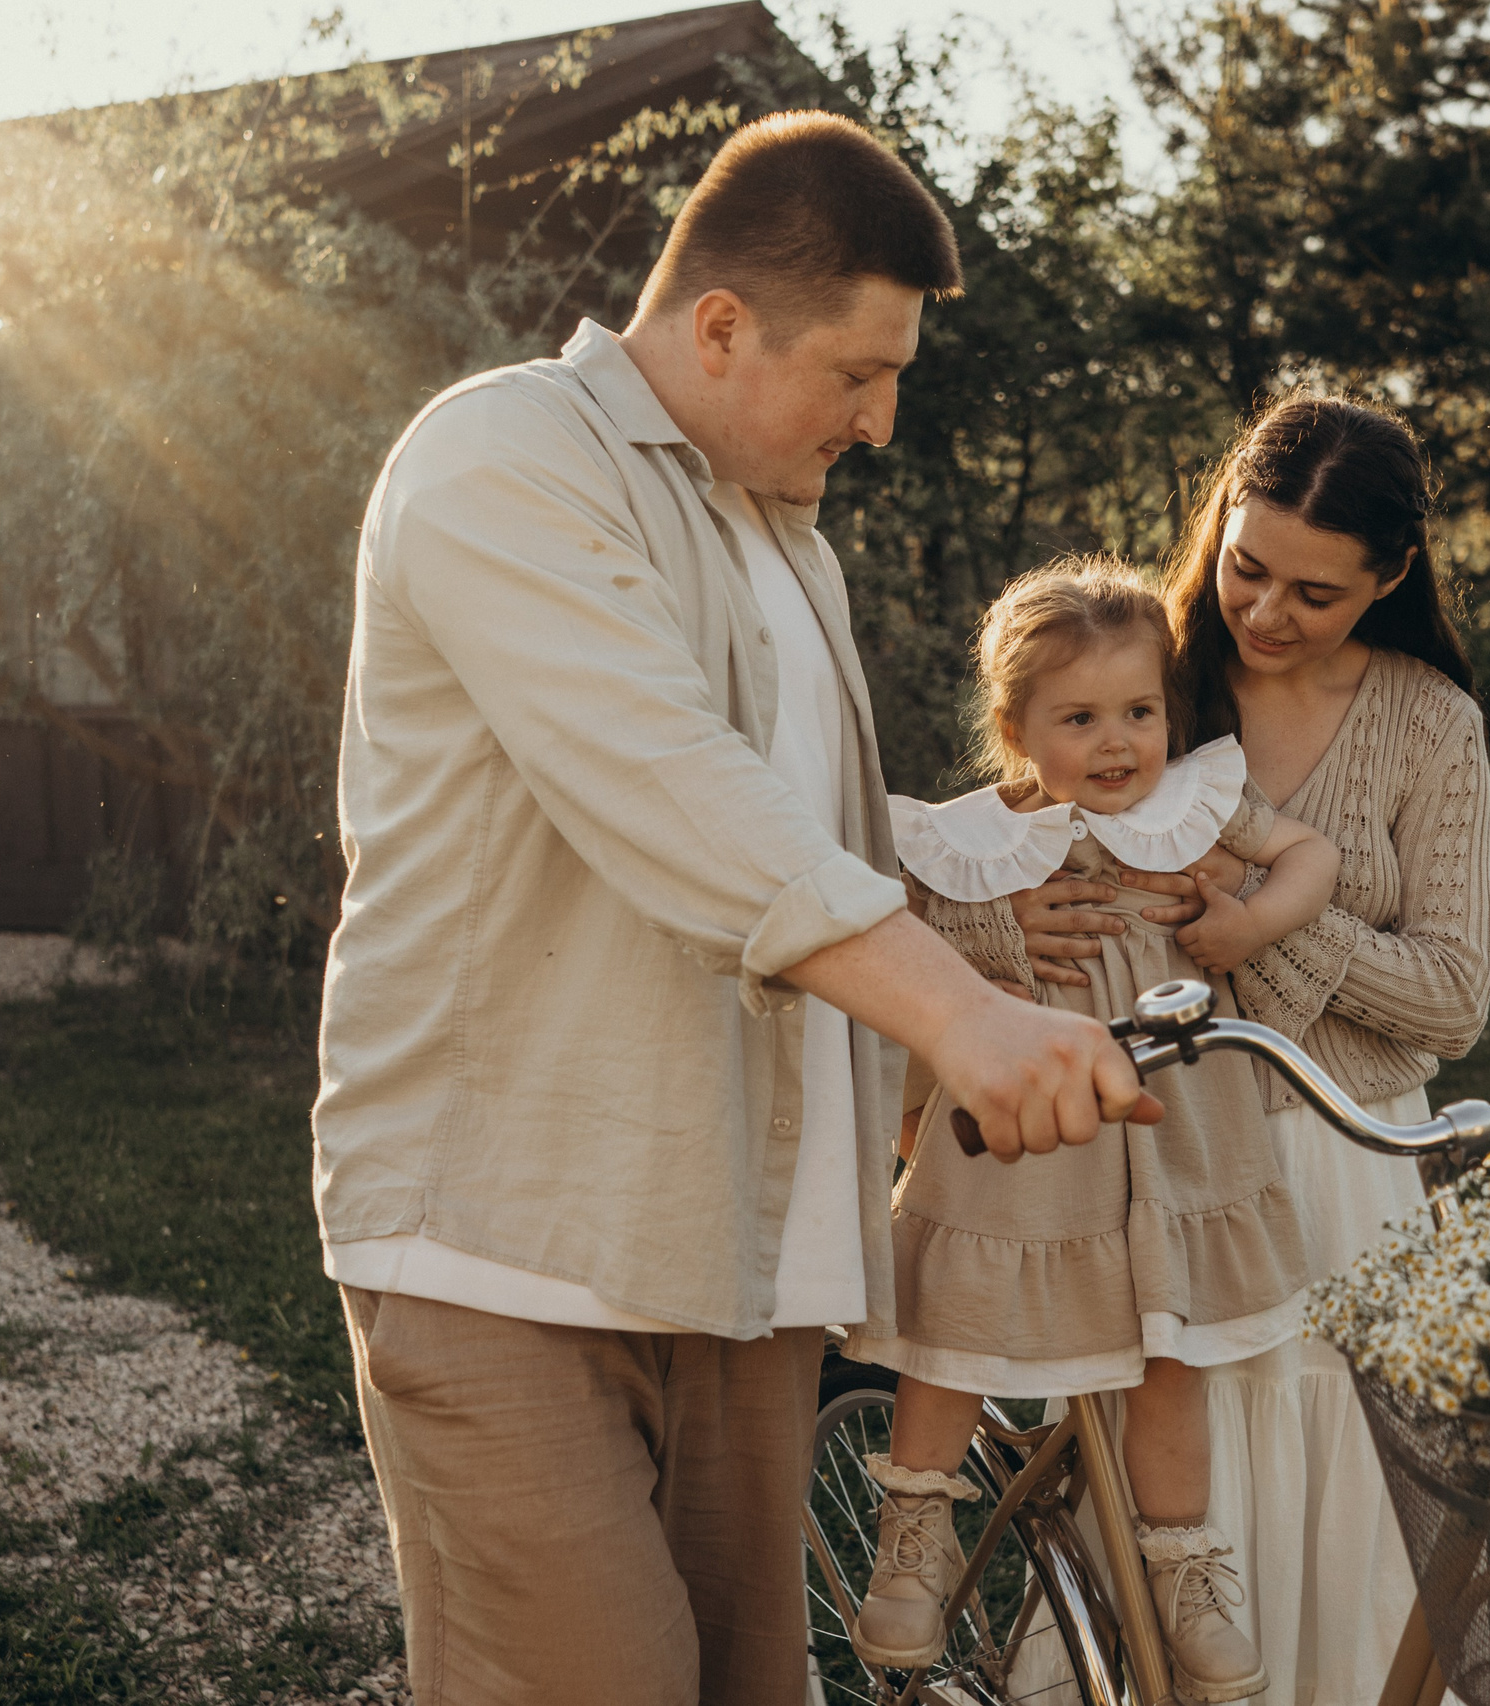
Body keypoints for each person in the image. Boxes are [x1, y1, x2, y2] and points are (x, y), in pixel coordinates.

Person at [311, 113, 1159, 1706]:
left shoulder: (784, 541)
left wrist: (993, 950)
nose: (883, 420)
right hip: (512, 1254)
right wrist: (965, 1018)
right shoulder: (502, 458)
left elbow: (809, 842)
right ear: (718, 325)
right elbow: (671, 786)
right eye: (859, 372)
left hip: (743, 1269)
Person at [921, 397, 1490, 1705]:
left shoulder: (1427, 721)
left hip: (1350, 1164)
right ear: (1218, 521)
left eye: (1316, 590)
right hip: (1164, 1153)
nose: (1268, 612)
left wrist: (1251, 927)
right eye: (1247, 567)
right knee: (1173, 1486)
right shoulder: (1150, 673)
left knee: (1351, 1480)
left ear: (1392, 578)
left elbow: (1453, 997)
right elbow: (985, 829)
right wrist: (1007, 919)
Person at [844, 558, 1342, 1702]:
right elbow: (887, 942)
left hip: (1173, 1137)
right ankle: (914, 1534)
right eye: (1079, 718)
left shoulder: (1195, 809)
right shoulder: (968, 841)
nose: (1118, 742)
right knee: (952, 1334)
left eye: (1139, 711)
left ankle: (1180, 1567)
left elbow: (1311, 855)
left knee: (1170, 1355)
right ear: (1015, 727)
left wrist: (1246, 921)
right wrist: (990, 931)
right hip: (1017, 1138)